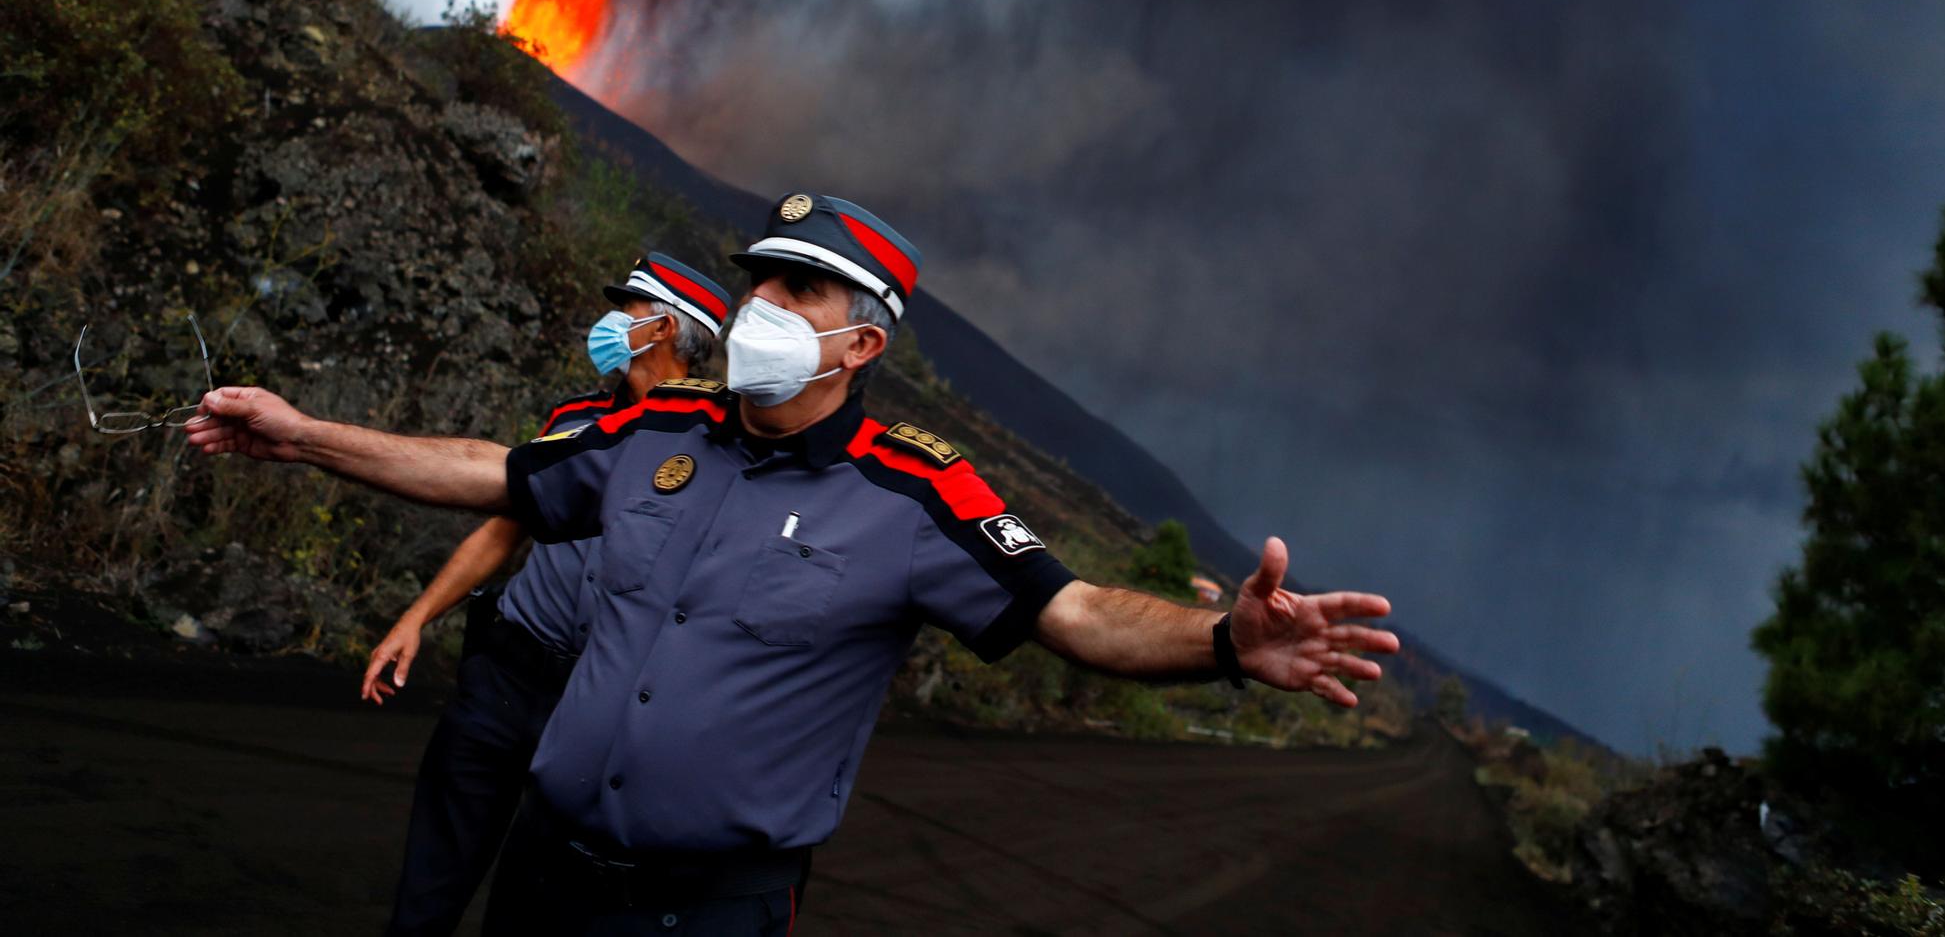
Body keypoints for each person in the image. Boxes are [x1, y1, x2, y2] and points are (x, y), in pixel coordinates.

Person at [188, 193, 1400, 936]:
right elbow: (494, 474)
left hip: (703, 912)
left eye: (797, 287)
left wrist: (1223, 646)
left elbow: (1070, 610)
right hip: (543, 875)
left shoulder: (915, 486)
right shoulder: (654, 431)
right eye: (756, 275)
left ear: (860, 338)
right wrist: (304, 437)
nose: (756, 301)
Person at [370, 251, 731, 936]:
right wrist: (417, 616)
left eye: (624, 312)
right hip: (503, 676)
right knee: (429, 883)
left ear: (658, 331)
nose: (606, 324)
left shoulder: (716, 451)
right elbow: (506, 528)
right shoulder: (572, 417)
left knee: (541, 904)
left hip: (595, 707)